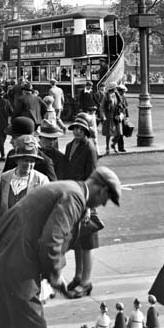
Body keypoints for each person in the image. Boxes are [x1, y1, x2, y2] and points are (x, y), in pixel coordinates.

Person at [0, 167, 122, 328]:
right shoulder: (74, 197)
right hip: (17, 263)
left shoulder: (68, 188)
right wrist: (55, 275)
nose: (103, 204)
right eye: (106, 198)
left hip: (3, 257)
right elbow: (51, 240)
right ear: (100, 189)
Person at [64, 115, 100, 299]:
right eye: (75, 127)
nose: (77, 130)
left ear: (86, 130)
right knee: (77, 239)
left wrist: (88, 206)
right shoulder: (71, 146)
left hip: (85, 199)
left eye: (81, 128)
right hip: (73, 197)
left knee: (88, 241)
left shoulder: (89, 147)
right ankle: (78, 276)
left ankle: (86, 282)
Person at [0, 135, 50, 227]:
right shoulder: (5, 178)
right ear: (17, 160)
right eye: (25, 160)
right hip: (6, 230)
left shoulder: (41, 180)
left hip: (29, 232)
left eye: (32, 161)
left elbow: (47, 209)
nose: (28, 164)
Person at [111, 84, 129, 153]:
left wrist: (127, 116)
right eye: (122, 92)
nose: (123, 93)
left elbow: (125, 108)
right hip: (117, 116)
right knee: (119, 133)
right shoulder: (114, 97)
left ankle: (118, 145)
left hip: (122, 116)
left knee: (121, 133)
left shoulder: (123, 97)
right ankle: (118, 146)